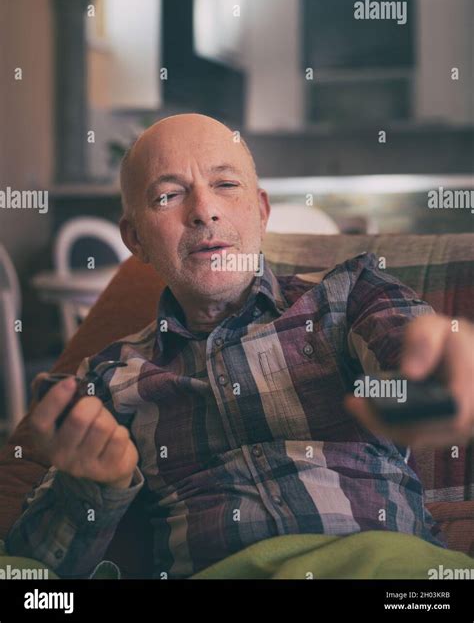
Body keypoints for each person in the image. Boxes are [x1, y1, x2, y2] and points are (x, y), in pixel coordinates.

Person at [6, 114, 474, 579]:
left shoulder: (350, 295)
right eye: (168, 195)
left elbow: (410, 347)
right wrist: (90, 486)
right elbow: (35, 564)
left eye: (226, 185)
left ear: (262, 210)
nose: (204, 211)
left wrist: (436, 369)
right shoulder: (108, 376)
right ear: (136, 240)